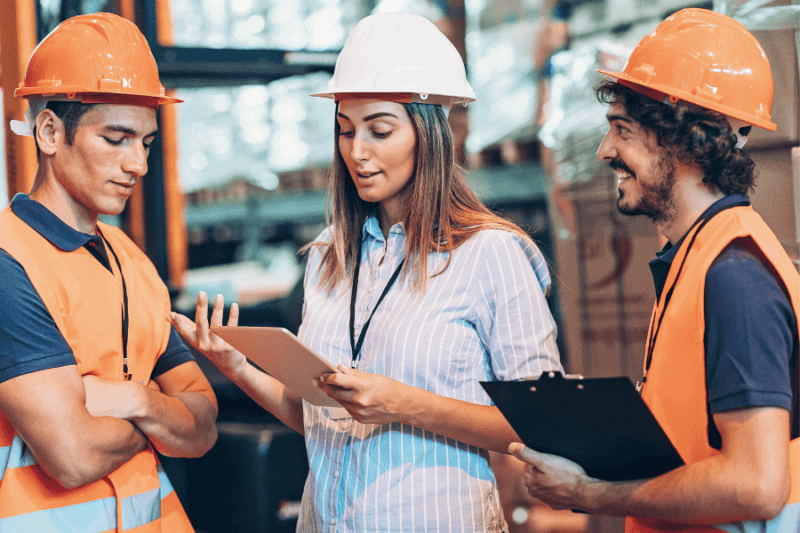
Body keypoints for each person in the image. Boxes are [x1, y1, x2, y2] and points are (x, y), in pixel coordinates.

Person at [171, 11, 561, 532]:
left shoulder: (490, 255)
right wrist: (238, 366)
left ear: (430, 133)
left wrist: (404, 404)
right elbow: (321, 420)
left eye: (380, 131)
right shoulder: (332, 256)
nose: (358, 153)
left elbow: (544, 426)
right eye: (346, 130)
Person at [509, 8, 800, 532]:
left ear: (685, 139)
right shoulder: (700, 257)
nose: (604, 151)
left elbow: (756, 485)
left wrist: (589, 493)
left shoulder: (735, 277)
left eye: (622, 130)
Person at [0, 13, 218, 532]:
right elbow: (71, 454)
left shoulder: (130, 259)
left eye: (145, 142)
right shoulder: (9, 263)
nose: (138, 164)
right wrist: (164, 418)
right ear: (50, 132)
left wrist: (134, 398)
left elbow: (205, 426)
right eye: (116, 139)